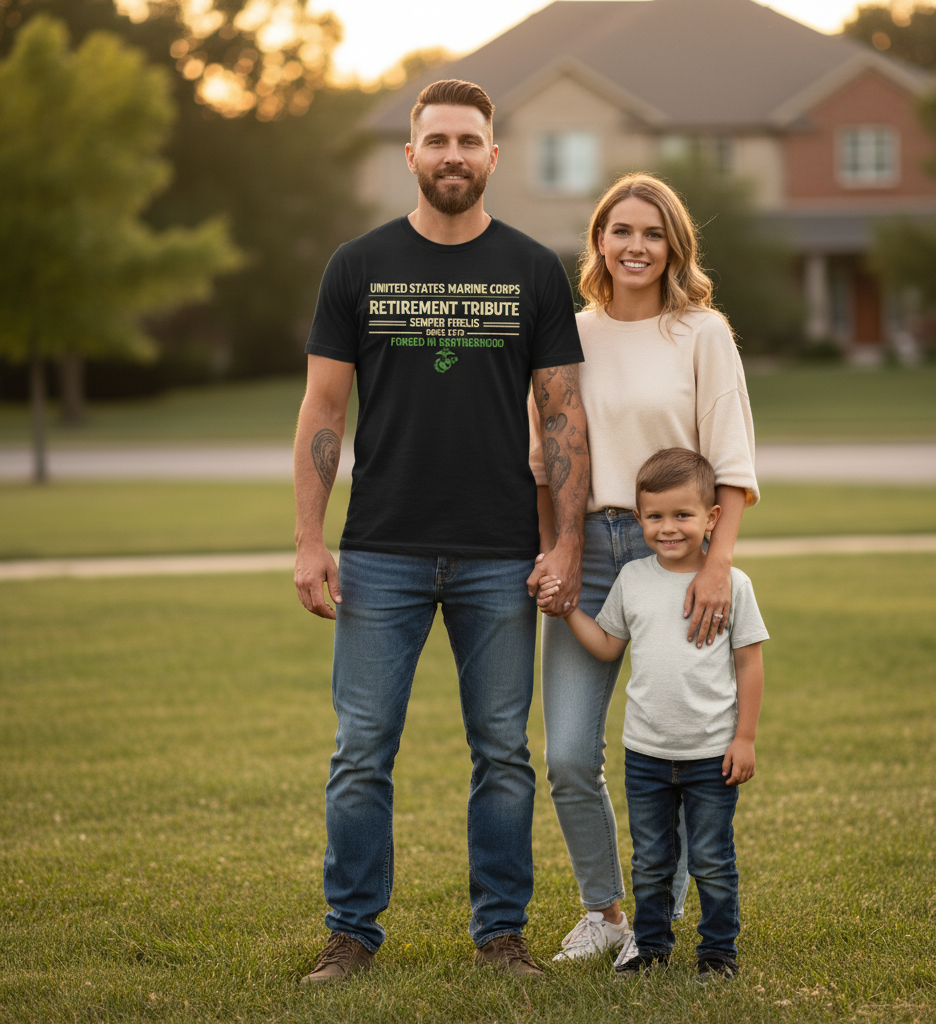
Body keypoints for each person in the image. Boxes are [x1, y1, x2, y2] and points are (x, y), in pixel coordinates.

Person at [293, 79, 589, 984]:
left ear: (493, 156)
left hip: (502, 553)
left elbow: (563, 418)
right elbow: (323, 407)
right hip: (381, 548)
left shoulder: (535, 270)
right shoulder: (358, 265)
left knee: (502, 752)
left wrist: (566, 544)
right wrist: (311, 539)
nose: (453, 155)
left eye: (469, 140)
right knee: (359, 753)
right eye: (438, 141)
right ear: (411, 154)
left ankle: (502, 935)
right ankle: (351, 935)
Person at [528, 173, 759, 961]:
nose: (636, 246)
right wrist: (553, 550)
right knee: (565, 753)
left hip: (677, 555)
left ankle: (661, 911)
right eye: (621, 230)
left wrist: (717, 564)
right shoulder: (570, 331)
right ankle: (607, 914)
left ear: (674, 246)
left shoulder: (702, 333)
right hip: (587, 550)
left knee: (688, 746)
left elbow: (729, 459)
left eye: (653, 233)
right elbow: (544, 461)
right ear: (598, 240)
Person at [537, 447, 767, 977]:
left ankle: (717, 953)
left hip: (712, 754)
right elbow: (606, 647)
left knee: (711, 859)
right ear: (639, 518)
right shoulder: (633, 580)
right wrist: (567, 609)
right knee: (651, 861)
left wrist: (745, 739)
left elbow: (750, 665)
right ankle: (652, 948)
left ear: (712, 517)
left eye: (682, 515)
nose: (669, 528)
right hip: (645, 755)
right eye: (656, 516)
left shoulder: (732, 584)